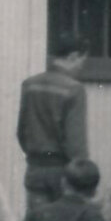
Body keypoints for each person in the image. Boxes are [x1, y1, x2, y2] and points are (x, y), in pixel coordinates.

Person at [17, 34, 90, 210]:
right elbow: (76, 141)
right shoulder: (74, 89)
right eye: (82, 61)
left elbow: (21, 131)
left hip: (34, 167)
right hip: (62, 170)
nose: (82, 67)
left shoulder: (30, 85)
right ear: (73, 56)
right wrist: (82, 172)